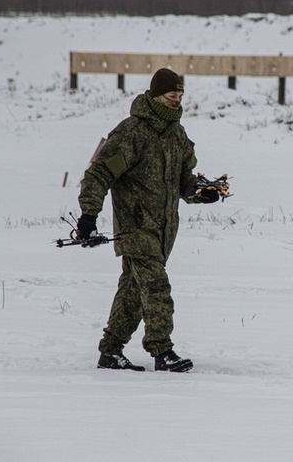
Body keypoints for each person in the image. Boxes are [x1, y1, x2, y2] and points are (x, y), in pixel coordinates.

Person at [76, 68, 220, 372]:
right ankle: (162, 351)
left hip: (164, 231)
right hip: (136, 228)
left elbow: (184, 181)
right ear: (155, 96)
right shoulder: (132, 134)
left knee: (133, 292)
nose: (177, 100)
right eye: (171, 95)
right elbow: (100, 174)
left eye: (180, 96)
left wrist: (200, 192)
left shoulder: (177, 135)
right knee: (155, 288)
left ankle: (110, 352)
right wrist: (89, 216)